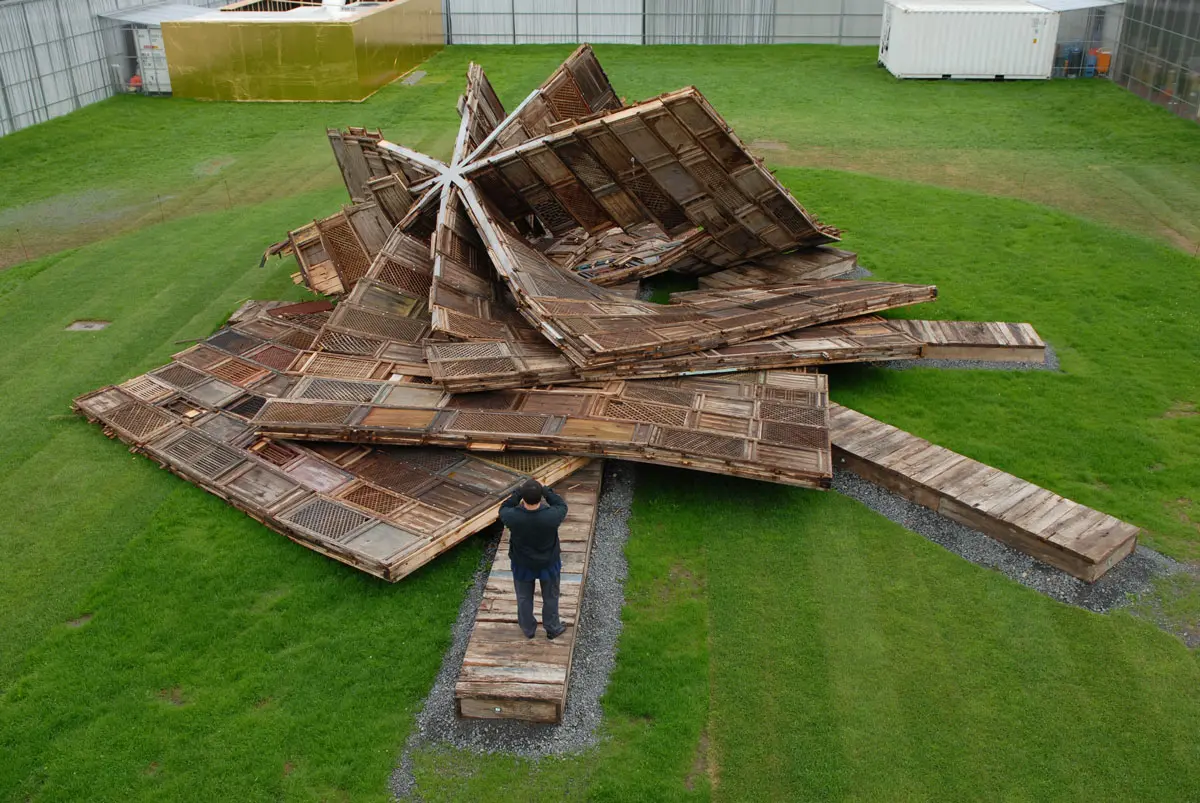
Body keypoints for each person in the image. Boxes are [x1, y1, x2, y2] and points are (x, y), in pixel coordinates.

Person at [499, 479, 568, 640]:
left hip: (522, 564)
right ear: (540, 498)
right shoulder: (552, 516)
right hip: (548, 564)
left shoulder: (512, 517)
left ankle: (528, 630)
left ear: (523, 498)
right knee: (551, 597)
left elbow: (504, 507)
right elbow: (561, 505)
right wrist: (545, 490)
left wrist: (518, 492)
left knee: (523, 598)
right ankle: (552, 628)